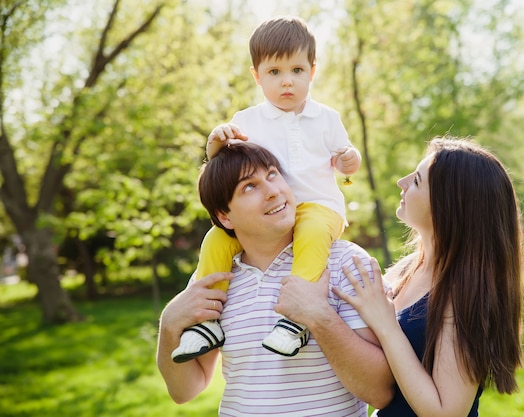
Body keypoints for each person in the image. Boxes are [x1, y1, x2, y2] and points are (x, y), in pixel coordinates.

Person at [277, 136, 524, 416]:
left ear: (449, 208)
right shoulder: (406, 270)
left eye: (417, 181)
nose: (402, 182)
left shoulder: (465, 295)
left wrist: (386, 325)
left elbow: (445, 412)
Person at [171, 15, 361, 362]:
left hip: (318, 206)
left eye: (297, 71)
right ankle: (207, 320)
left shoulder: (327, 118)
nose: (287, 82)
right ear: (257, 76)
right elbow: (226, 167)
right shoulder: (246, 120)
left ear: (312, 71)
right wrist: (215, 147)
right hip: (267, 214)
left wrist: (349, 163)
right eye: (274, 73)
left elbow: (345, 161)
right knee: (216, 239)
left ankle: (295, 318)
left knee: (313, 231)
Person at [157, 142, 394, 416]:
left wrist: (318, 317)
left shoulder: (346, 263)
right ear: (225, 216)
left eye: (272, 174)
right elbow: (185, 390)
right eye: (249, 186)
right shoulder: (213, 279)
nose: (272, 191)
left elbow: (380, 392)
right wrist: (169, 325)